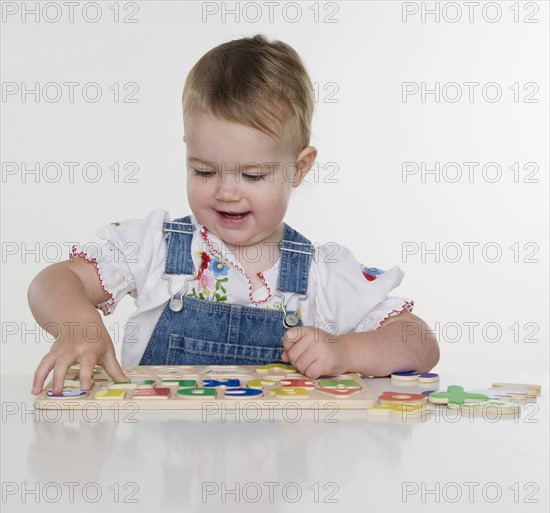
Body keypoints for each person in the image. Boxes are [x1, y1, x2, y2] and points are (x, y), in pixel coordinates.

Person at [29, 34, 439, 396]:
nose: (226, 191)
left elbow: (419, 341)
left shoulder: (323, 272)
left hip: (278, 480)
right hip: (159, 470)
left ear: (298, 168)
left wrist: (347, 350)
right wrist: (78, 326)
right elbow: (53, 281)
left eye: (252, 174)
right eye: (204, 170)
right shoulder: (156, 246)